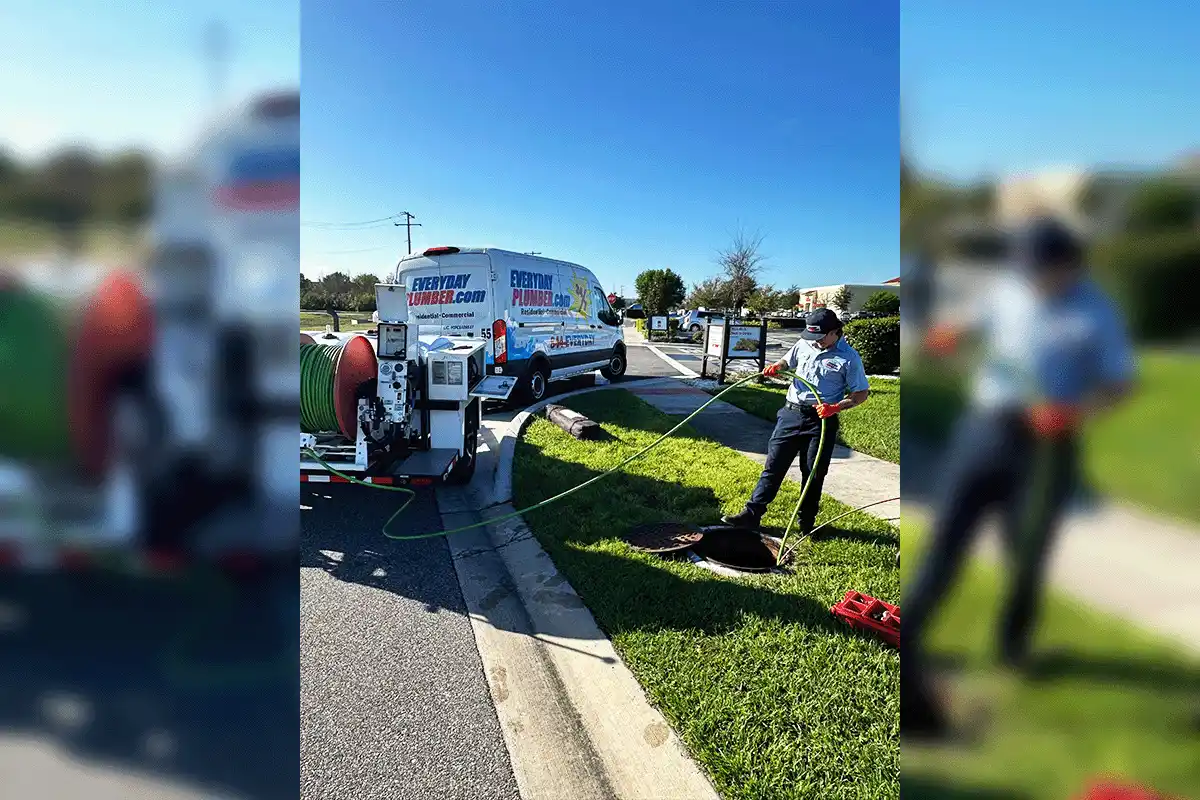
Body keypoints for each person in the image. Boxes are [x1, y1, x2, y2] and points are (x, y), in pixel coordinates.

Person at [902, 216, 1136, 737]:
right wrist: (948, 335)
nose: (1032, 279)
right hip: (984, 429)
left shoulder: (1096, 310)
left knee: (1026, 549)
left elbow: (1120, 383)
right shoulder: (1008, 290)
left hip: (1047, 443)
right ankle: (908, 635)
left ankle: (1013, 647)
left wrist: (1072, 413)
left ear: (1068, 265)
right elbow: (971, 326)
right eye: (1026, 268)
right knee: (948, 536)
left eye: (1042, 270)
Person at [721, 307, 870, 538]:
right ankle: (751, 515)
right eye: (812, 337)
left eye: (820, 337)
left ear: (835, 332)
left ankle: (806, 523)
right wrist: (776, 368)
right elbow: (785, 361)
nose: (815, 342)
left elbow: (861, 393)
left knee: (813, 472)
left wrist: (835, 407)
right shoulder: (804, 344)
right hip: (790, 414)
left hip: (821, 421)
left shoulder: (849, 357)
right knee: (773, 466)